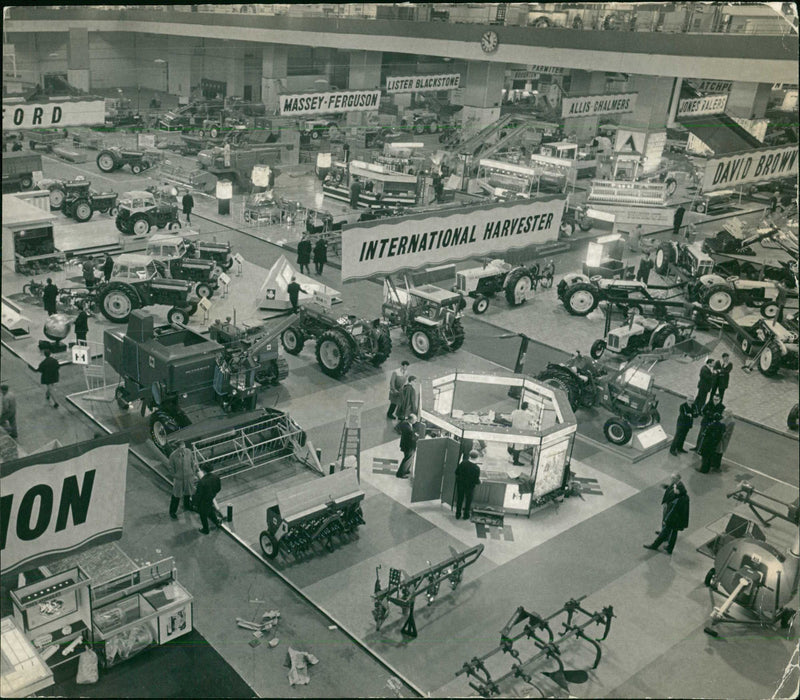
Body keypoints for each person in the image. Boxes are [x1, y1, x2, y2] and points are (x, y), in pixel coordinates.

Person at [644, 476, 689, 554]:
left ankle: (655, 545)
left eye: (675, 490)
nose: (674, 490)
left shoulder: (677, 500)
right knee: (674, 533)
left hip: (673, 519)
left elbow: (672, 511)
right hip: (678, 520)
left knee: (665, 531)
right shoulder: (684, 497)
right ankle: (669, 548)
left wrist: (666, 520)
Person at [168, 441, 197, 519]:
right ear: (177, 448)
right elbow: (171, 468)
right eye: (181, 448)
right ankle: (172, 511)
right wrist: (176, 476)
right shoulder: (173, 456)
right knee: (176, 495)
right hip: (179, 479)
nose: (183, 450)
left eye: (184, 447)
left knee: (188, 493)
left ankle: (187, 506)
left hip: (188, 477)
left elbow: (192, 462)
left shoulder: (189, 452)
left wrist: (193, 473)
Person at [454, 449, 481, 520]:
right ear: (477, 457)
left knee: (460, 499)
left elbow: (456, 472)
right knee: (468, 501)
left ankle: (458, 514)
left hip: (461, 485)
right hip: (470, 487)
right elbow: (476, 481)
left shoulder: (463, 463)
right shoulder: (476, 468)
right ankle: (466, 515)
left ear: (469, 456)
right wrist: (480, 481)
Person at [195, 463, 222, 534]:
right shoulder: (216, 476)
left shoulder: (202, 481)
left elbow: (198, 494)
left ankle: (205, 529)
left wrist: (195, 503)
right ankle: (217, 522)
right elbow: (219, 488)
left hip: (204, 500)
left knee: (203, 514)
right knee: (210, 510)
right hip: (211, 497)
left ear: (203, 470)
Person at [509, 402, 532, 466]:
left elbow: (510, 419)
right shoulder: (528, 414)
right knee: (518, 448)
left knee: (512, 445)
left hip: (514, 431)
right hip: (522, 432)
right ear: (527, 407)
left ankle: (511, 458)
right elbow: (530, 423)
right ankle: (515, 461)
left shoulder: (515, 412)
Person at [395, 413, 417, 479]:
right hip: (409, 446)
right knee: (407, 459)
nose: (415, 421)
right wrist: (416, 436)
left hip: (405, 444)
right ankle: (401, 473)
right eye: (414, 420)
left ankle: (406, 470)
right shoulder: (407, 427)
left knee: (408, 458)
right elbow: (411, 437)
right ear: (410, 420)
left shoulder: (405, 423)